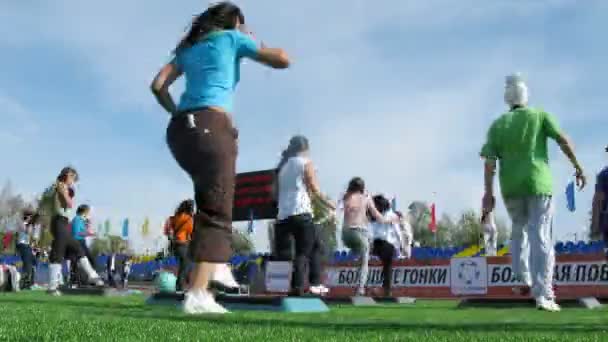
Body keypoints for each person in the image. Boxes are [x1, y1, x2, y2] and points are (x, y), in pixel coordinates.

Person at [150, 1, 290, 314]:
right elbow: (282, 59)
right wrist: (253, 40)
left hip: (180, 132)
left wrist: (178, 113)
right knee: (218, 208)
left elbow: (158, 85)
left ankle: (215, 266)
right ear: (234, 22)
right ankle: (199, 294)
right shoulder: (232, 38)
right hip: (213, 126)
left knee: (207, 202)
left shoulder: (190, 48)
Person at [480, 73, 586, 312]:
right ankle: (544, 293)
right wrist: (578, 167)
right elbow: (563, 141)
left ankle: (523, 279)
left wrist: (488, 193)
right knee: (542, 237)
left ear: (507, 98)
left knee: (518, 232)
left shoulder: (497, 125)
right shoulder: (540, 115)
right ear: (526, 94)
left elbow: (489, 164)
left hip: (511, 187)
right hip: (539, 183)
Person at [273, 136, 335, 296]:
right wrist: (329, 203)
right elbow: (314, 188)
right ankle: (302, 286)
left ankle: (312, 284)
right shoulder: (305, 162)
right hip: (301, 213)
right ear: (306, 148)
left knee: (314, 246)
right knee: (304, 252)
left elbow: (276, 193)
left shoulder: (283, 167)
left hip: (284, 215)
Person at [39, 167, 104, 295]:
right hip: (59, 221)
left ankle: (92, 276)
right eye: (72, 179)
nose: (72, 182)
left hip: (61, 223)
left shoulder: (53, 187)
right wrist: (65, 194)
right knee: (58, 252)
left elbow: (44, 203)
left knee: (77, 249)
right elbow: (68, 204)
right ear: (67, 175)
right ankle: (52, 287)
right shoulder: (60, 186)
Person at [341, 178, 396, 296]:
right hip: (358, 233)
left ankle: (361, 275)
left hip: (345, 235)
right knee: (364, 261)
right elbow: (379, 217)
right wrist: (390, 220)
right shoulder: (366, 198)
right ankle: (360, 289)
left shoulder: (346, 197)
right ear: (362, 188)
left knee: (361, 256)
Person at [370, 195, 403, 297]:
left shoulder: (391, 215)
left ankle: (386, 289)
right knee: (386, 267)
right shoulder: (376, 216)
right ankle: (386, 289)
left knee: (387, 267)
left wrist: (401, 245)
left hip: (385, 244)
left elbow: (397, 231)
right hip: (378, 243)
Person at [171, 199, 195, 292]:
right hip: (183, 243)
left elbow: (172, 227)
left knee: (185, 265)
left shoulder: (176, 217)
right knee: (186, 265)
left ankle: (185, 284)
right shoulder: (189, 219)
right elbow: (190, 232)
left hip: (175, 245)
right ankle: (180, 286)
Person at [592, 145, 608, 251]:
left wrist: (595, 228)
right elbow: (598, 200)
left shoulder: (603, 175)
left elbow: (597, 201)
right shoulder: (603, 175)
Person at [16, 209, 37, 289]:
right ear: (27, 217)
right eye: (30, 216)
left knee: (34, 261)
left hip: (27, 245)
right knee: (27, 264)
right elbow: (27, 232)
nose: (31, 218)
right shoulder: (22, 224)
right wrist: (31, 225)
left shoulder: (28, 224)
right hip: (22, 245)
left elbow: (31, 235)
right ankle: (23, 284)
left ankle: (30, 282)